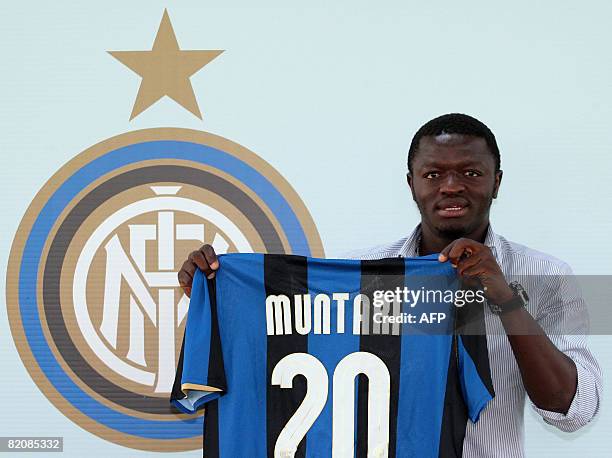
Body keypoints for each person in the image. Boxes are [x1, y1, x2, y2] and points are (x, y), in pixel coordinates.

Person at [177, 113, 602, 457]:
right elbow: (288, 358)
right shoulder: (363, 277)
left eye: (470, 172)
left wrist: (507, 301)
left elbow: (574, 409)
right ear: (412, 183)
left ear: (497, 181)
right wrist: (218, 302)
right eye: (434, 174)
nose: (451, 186)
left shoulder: (547, 276)